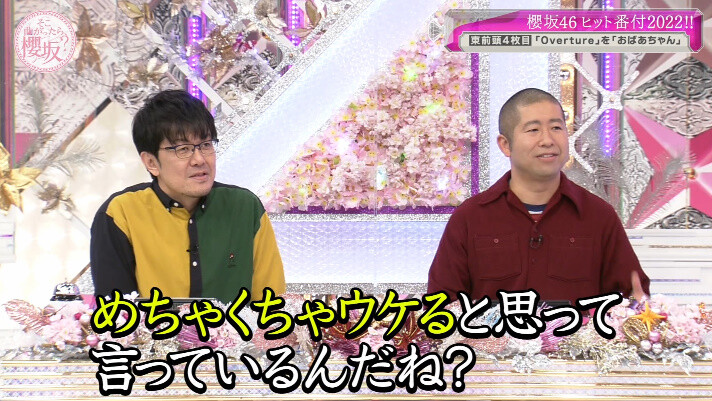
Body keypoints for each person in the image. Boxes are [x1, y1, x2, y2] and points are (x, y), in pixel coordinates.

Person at [427, 88, 649, 304]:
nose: (547, 140)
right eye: (533, 130)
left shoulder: (598, 215)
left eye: (556, 127)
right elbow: (442, 302)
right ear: (505, 145)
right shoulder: (470, 217)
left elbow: (632, 298)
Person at [90, 90, 285, 303]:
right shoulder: (120, 213)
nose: (199, 159)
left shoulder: (245, 208)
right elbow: (117, 313)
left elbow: (271, 303)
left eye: (206, 145)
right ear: (151, 162)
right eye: (183, 149)